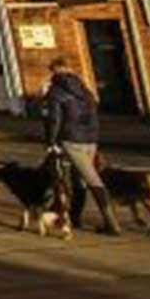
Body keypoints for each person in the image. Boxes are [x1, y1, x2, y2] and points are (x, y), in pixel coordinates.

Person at [42, 56, 118, 235]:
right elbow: (93, 112)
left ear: (54, 70)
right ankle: (75, 217)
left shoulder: (56, 91)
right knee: (79, 179)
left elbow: (54, 119)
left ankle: (112, 224)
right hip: (90, 138)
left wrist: (51, 142)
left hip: (71, 139)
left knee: (91, 179)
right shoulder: (85, 89)